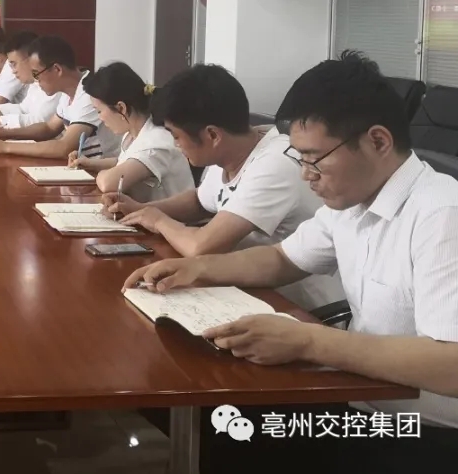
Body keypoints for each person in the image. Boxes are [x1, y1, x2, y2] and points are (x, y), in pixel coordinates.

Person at [124, 51, 458, 471]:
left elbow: (451, 366)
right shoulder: (351, 201)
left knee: (225, 433)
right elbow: (282, 258)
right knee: (203, 414)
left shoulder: (442, 215)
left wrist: (308, 341)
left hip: (420, 430)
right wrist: (196, 269)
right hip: (359, 395)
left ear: (378, 142)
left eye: (314, 158)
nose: (306, 174)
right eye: (299, 158)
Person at [106, 63, 338, 309]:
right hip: (241, 284)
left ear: (213, 135)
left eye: (176, 136)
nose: (176, 145)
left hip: (292, 303)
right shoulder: (233, 151)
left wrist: (158, 220)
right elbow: (200, 201)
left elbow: (201, 247)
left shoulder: (276, 162)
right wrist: (141, 210)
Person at [67, 62, 195, 200]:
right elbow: (124, 162)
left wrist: (100, 175)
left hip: (167, 214)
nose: (100, 118)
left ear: (121, 108)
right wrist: (91, 164)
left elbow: (108, 183)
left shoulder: (156, 142)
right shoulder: (133, 133)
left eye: (99, 111)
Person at [0, 35, 117, 160]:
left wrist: (5, 147)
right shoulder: (69, 92)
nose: (36, 80)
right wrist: (6, 133)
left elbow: (64, 147)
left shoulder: (89, 94)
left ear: (57, 69)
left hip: (100, 171)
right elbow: (49, 128)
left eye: (36, 74)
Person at [0, 31, 59, 131]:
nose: (13, 71)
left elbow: (40, 122)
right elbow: (23, 109)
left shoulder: (52, 83)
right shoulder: (35, 83)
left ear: (32, 59)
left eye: (14, 64)